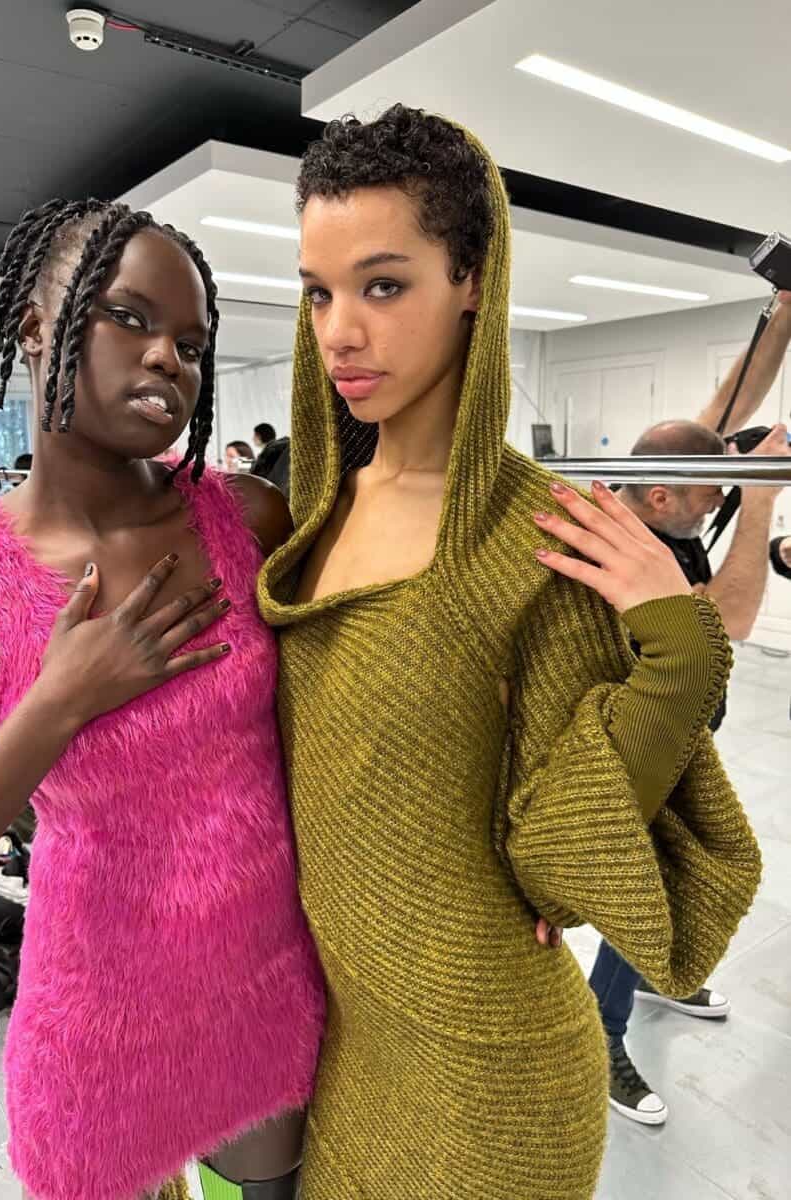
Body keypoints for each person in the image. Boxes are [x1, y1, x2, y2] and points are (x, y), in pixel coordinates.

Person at [257, 105, 761, 1199]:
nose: (341, 331)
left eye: (383, 285)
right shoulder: (305, 516)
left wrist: (676, 651)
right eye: (320, 291)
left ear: (472, 281)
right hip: (338, 1048)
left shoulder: (540, 538)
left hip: (491, 1077)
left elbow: (564, 853)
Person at [0, 199, 324, 1200]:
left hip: (264, 983)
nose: (168, 357)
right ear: (36, 329)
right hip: (97, 1013)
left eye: (192, 344)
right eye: (128, 317)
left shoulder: (249, 518)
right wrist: (56, 707)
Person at [589, 323, 791, 1124]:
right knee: (645, 883)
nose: (721, 497)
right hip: (637, 751)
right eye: (711, 490)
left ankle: (650, 976)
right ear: (662, 497)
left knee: (673, 867)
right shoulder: (634, 549)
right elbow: (727, 621)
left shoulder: (660, 493)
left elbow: (725, 407)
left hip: (683, 735)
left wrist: (781, 313)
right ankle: (602, 1033)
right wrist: (761, 503)